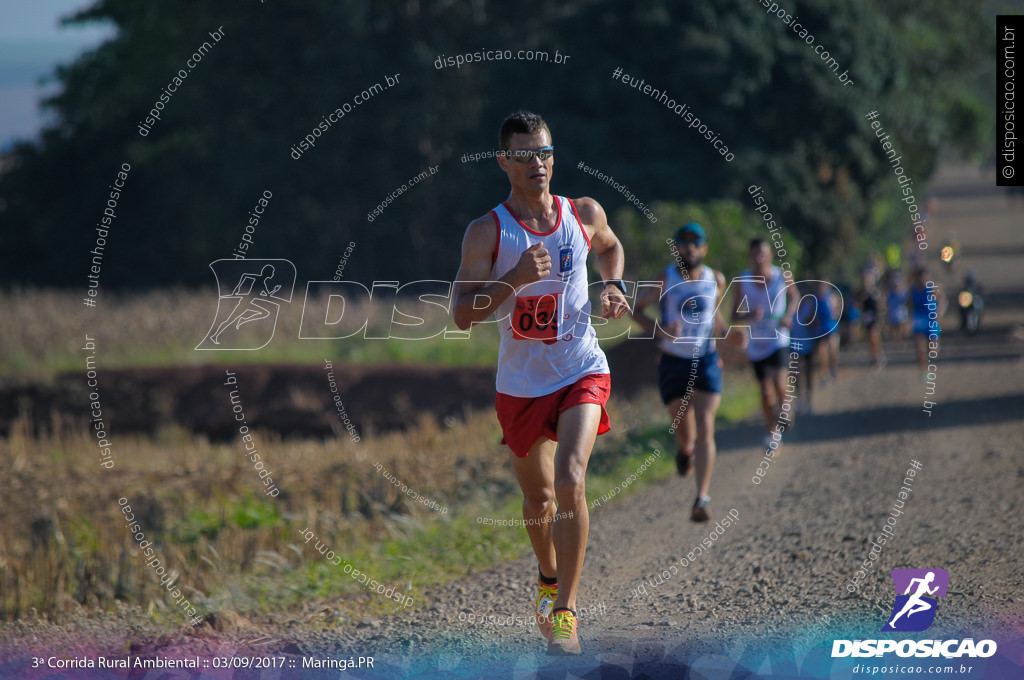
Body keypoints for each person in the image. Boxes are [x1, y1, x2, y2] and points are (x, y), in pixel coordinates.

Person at [452, 111, 630, 656]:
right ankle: (548, 576)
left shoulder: (583, 213)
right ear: (504, 161)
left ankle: (565, 613)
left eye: (546, 152)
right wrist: (513, 280)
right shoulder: (488, 231)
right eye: (525, 154)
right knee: (539, 498)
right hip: (521, 383)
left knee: (572, 477)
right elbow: (461, 314)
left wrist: (614, 286)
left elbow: (610, 248)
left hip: (581, 367)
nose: (538, 163)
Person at [630, 222, 746, 523]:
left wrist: (728, 334)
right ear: (676, 248)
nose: (690, 248)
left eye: (696, 243)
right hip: (673, 362)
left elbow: (715, 317)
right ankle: (684, 451)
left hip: (705, 359)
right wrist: (661, 330)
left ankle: (702, 497)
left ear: (705, 249)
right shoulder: (665, 278)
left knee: (707, 425)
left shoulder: (715, 279)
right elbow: (636, 310)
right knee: (684, 430)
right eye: (684, 242)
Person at [732, 238, 800, 450]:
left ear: (770, 255)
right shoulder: (742, 281)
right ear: (750, 256)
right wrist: (748, 314)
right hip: (756, 343)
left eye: (763, 253)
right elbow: (733, 314)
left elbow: (795, 296)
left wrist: (788, 315)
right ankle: (773, 433)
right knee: (765, 391)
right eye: (755, 253)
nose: (759, 257)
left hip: (778, 338)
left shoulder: (783, 276)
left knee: (780, 381)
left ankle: (787, 408)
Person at [909, 267, 946, 377]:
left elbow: (942, 301)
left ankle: (928, 361)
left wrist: (939, 312)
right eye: (921, 278)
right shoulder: (913, 290)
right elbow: (908, 303)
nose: (923, 280)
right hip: (919, 319)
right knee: (920, 348)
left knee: (933, 349)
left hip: (931, 319)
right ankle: (924, 370)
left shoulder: (933, 289)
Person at [857, 266, 885, 369]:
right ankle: (873, 356)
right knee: (869, 338)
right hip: (866, 317)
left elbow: (881, 304)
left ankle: (878, 355)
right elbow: (858, 304)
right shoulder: (862, 292)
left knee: (874, 335)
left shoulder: (875, 292)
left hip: (875, 316)